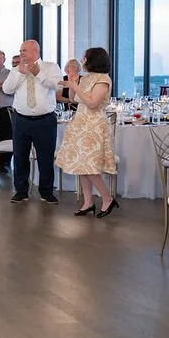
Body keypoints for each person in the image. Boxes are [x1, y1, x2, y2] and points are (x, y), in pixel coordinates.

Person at [55, 48, 118, 217]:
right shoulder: (88, 78)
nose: (82, 60)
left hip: (94, 125)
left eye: (85, 58)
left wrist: (76, 85)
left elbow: (92, 103)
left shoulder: (103, 79)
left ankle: (107, 198)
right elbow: (75, 99)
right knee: (81, 165)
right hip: (80, 122)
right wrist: (72, 82)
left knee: (90, 166)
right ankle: (88, 202)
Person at [3, 40, 62, 204]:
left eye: (24, 50)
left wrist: (38, 74)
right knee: (20, 156)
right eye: (20, 50)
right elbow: (7, 90)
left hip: (45, 120)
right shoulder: (16, 70)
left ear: (36, 51)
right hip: (21, 119)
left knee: (46, 157)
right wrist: (20, 73)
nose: (21, 53)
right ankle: (21, 191)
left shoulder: (51, 67)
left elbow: (57, 86)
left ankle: (46, 191)